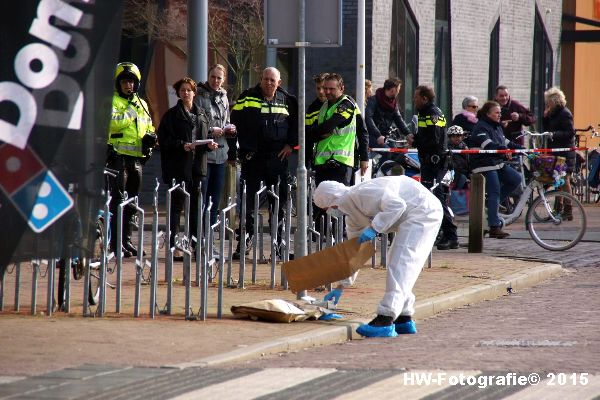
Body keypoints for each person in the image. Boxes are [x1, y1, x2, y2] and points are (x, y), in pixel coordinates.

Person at [313, 176, 443, 338]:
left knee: (402, 263)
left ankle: (385, 318)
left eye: (328, 207)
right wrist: (341, 286)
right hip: (414, 213)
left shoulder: (362, 193)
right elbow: (356, 253)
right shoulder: (352, 216)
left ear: (333, 201)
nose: (330, 211)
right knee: (398, 263)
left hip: (423, 210)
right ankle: (403, 317)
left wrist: (375, 227)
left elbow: (397, 205)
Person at [230, 67, 298, 259]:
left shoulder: (288, 100)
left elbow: (297, 126)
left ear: (279, 83)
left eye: (272, 80)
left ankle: (278, 245)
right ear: (261, 80)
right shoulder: (247, 97)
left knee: (279, 204)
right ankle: (245, 242)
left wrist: (291, 145)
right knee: (249, 203)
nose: (268, 83)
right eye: (266, 79)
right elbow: (234, 125)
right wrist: (237, 150)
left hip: (278, 158)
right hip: (254, 158)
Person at [157, 77, 218, 258]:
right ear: (178, 93)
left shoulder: (201, 113)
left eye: (189, 90)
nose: (186, 93)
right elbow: (164, 139)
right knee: (176, 207)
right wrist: (181, 145)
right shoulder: (171, 115)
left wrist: (209, 145)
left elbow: (205, 135)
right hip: (178, 167)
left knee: (196, 207)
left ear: (194, 92)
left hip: (197, 168)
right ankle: (174, 246)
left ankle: (195, 244)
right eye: (182, 90)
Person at [309, 73, 369, 235]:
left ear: (341, 88)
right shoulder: (324, 106)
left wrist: (364, 158)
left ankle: (340, 235)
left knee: (340, 202)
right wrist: (316, 133)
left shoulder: (347, 104)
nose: (327, 92)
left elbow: (360, 132)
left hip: (340, 161)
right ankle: (322, 237)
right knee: (321, 200)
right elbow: (313, 131)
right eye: (325, 88)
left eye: (331, 89)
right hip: (322, 161)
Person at [107, 62, 156, 257]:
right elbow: (111, 124)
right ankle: (115, 243)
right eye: (125, 82)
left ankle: (126, 240)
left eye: (132, 82)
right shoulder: (111, 101)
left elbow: (149, 125)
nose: (129, 86)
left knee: (132, 202)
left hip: (137, 159)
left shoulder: (142, 103)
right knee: (118, 200)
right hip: (117, 156)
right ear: (118, 83)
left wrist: (151, 138)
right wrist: (130, 112)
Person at [409, 85, 458, 250]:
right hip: (430, 162)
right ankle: (443, 233)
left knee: (436, 199)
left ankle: (451, 235)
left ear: (424, 98)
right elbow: (427, 135)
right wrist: (416, 138)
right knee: (431, 198)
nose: (413, 100)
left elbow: (435, 140)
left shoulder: (432, 114)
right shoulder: (424, 113)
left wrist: (415, 141)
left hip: (436, 163)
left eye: (416, 97)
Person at [466, 101, 523, 238]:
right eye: (497, 113)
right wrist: (506, 151)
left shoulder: (496, 127)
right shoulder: (481, 127)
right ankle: (494, 226)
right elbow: (489, 145)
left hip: (495, 161)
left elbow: (506, 142)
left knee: (516, 178)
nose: (500, 115)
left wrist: (523, 150)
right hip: (482, 163)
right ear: (488, 114)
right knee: (495, 190)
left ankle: (489, 204)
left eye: (500, 113)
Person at [194, 64, 237, 226]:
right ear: (208, 76)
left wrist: (230, 128)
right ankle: (199, 238)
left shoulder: (224, 97)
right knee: (202, 200)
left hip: (220, 155)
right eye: (213, 77)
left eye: (219, 78)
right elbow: (196, 124)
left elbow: (226, 121)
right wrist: (211, 130)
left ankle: (209, 236)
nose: (216, 80)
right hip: (205, 155)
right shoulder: (198, 96)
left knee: (215, 200)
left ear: (224, 79)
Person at [543, 87, 576, 219]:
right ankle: (558, 209)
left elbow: (570, 133)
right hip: (556, 150)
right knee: (557, 178)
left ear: (555, 101)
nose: (547, 104)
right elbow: (547, 128)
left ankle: (568, 211)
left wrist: (554, 134)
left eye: (548, 101)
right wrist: (545, 118)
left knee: (564, 179)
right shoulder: (553, 113)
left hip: (565, 152)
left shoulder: (564, 113)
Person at [365, 78, 413, 149]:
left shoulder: (393, 104)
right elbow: (368, 118)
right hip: (373, 136)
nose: (399, 92)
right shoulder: (374, 100)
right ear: (393, 90)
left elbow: (399, 119)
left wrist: (408, 134)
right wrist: (378, 135)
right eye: (398, 89)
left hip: (386, 136)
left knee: (398, 155)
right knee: (388, 153)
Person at [305, 73, 328, 169]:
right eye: (318, 88)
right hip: (318, 160)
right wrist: (305, 164)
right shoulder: (312, 108)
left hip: (340, 159)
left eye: (323, 87)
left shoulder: (341, 104)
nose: (321, 91)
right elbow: (307, 138)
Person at [447, 125, 470, 190]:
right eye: (453, 136)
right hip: (448, 174)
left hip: (462, 174)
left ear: (462, 137)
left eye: (458, 136)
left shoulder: (465, 148)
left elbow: (468, 162)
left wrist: (469, 176)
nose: (456, 138)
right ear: (449, 137)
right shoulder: (446, 147)